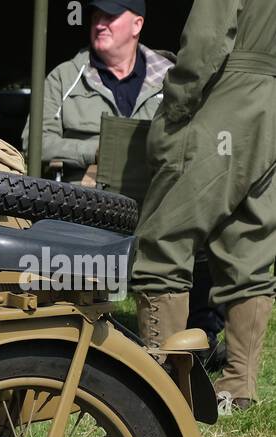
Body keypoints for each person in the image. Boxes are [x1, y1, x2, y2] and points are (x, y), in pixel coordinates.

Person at [130, 0, 276, 411]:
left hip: (224, 97)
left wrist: (175, 104)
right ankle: (238, 387)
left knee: (163, 240)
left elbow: (208, 37)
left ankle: (164, 385)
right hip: (269, 104)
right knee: (248, 246)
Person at [22, 0, 173, 185]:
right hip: (85, 201)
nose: (100, 25)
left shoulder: (172, 80)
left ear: (137, 25)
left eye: (110, 16)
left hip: (153, 197)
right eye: (95, 18)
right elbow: (34, 143)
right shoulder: (65, 76)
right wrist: (93, 152)